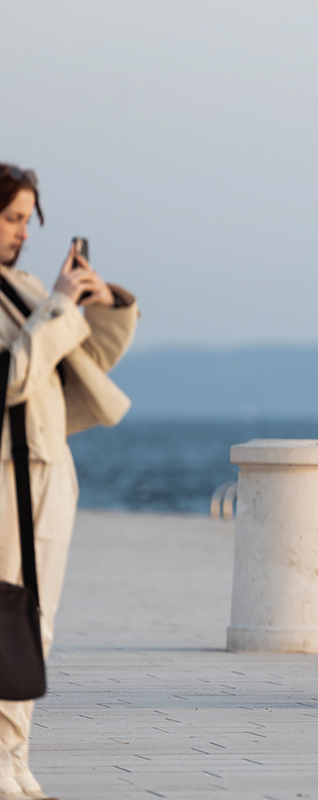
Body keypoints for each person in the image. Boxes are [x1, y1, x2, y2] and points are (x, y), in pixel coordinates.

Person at [1, 163, 138, 800]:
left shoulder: (24, 287)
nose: (22, 232)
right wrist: (57, 305)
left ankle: (14, 754)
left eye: (27, 220)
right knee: (6, 612)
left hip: (48, 466)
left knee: (36, 619)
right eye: (11, 218)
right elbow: (13, 377)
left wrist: (100, 302)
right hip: (8, 474)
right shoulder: (36, 295)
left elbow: (83, 361)